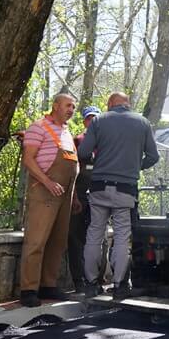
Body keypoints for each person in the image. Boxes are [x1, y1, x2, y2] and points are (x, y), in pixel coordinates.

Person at [78, 92, 159, 300]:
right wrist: (135, 167)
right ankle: (120, 285)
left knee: (95, 233)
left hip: (99, 187)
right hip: (125, 189)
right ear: (128, 104)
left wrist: (98, 164)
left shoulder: (99, 120)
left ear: (110, 104)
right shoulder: (142, 123)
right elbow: (153, 156)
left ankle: (90, 284)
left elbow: (83, 152)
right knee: (122, 236)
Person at [18, 92, 80, 307]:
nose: (71, 110)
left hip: (65, 194)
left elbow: (73, 166)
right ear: (55, 106)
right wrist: (47, 182)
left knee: (58, 241)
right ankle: (28, 289)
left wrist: (74, 197)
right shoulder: (39, 127)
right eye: (68, 105)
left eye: (73, 107)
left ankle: (48, 285)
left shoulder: (66, 132)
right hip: (44, 191)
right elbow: (28, 159)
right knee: (36, 241)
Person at [67, 106, 101, 290]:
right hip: (79, 195)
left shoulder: (106, 142)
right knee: (75, 238)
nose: (92, 121)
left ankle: (95, 280)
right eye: (89, 118)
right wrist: (73, 197)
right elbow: (71, 171)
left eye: (96, 118)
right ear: (84, 121)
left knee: (96, 238)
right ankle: (78, 280)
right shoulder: (78, 141)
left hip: (99, 196)